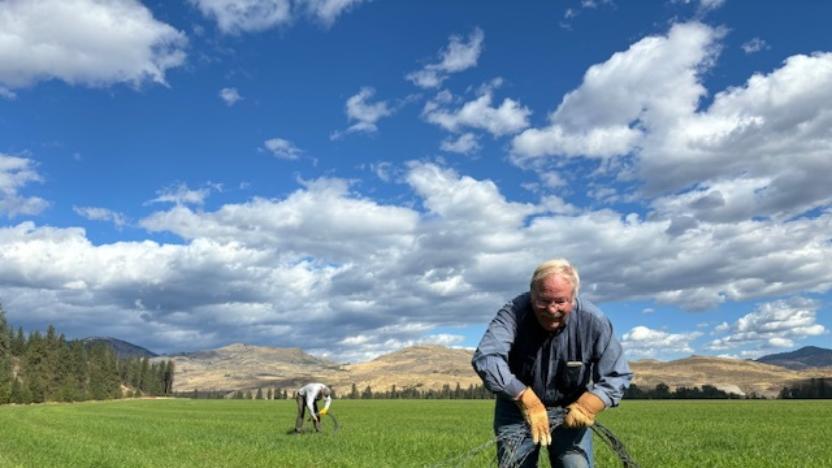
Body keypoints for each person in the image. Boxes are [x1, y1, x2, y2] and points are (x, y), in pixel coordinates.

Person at [472, 258, 632, 468]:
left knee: (575, 465)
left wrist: (590, 404)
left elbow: (617, 374)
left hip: (571, 410)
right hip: (517, 409)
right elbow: (487, 357)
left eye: (560, 301)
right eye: (544, 300)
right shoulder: (513, 314)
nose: (552, 309)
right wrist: (525, 397)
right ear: (532, 294)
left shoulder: (593, 321)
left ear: (573, 299)